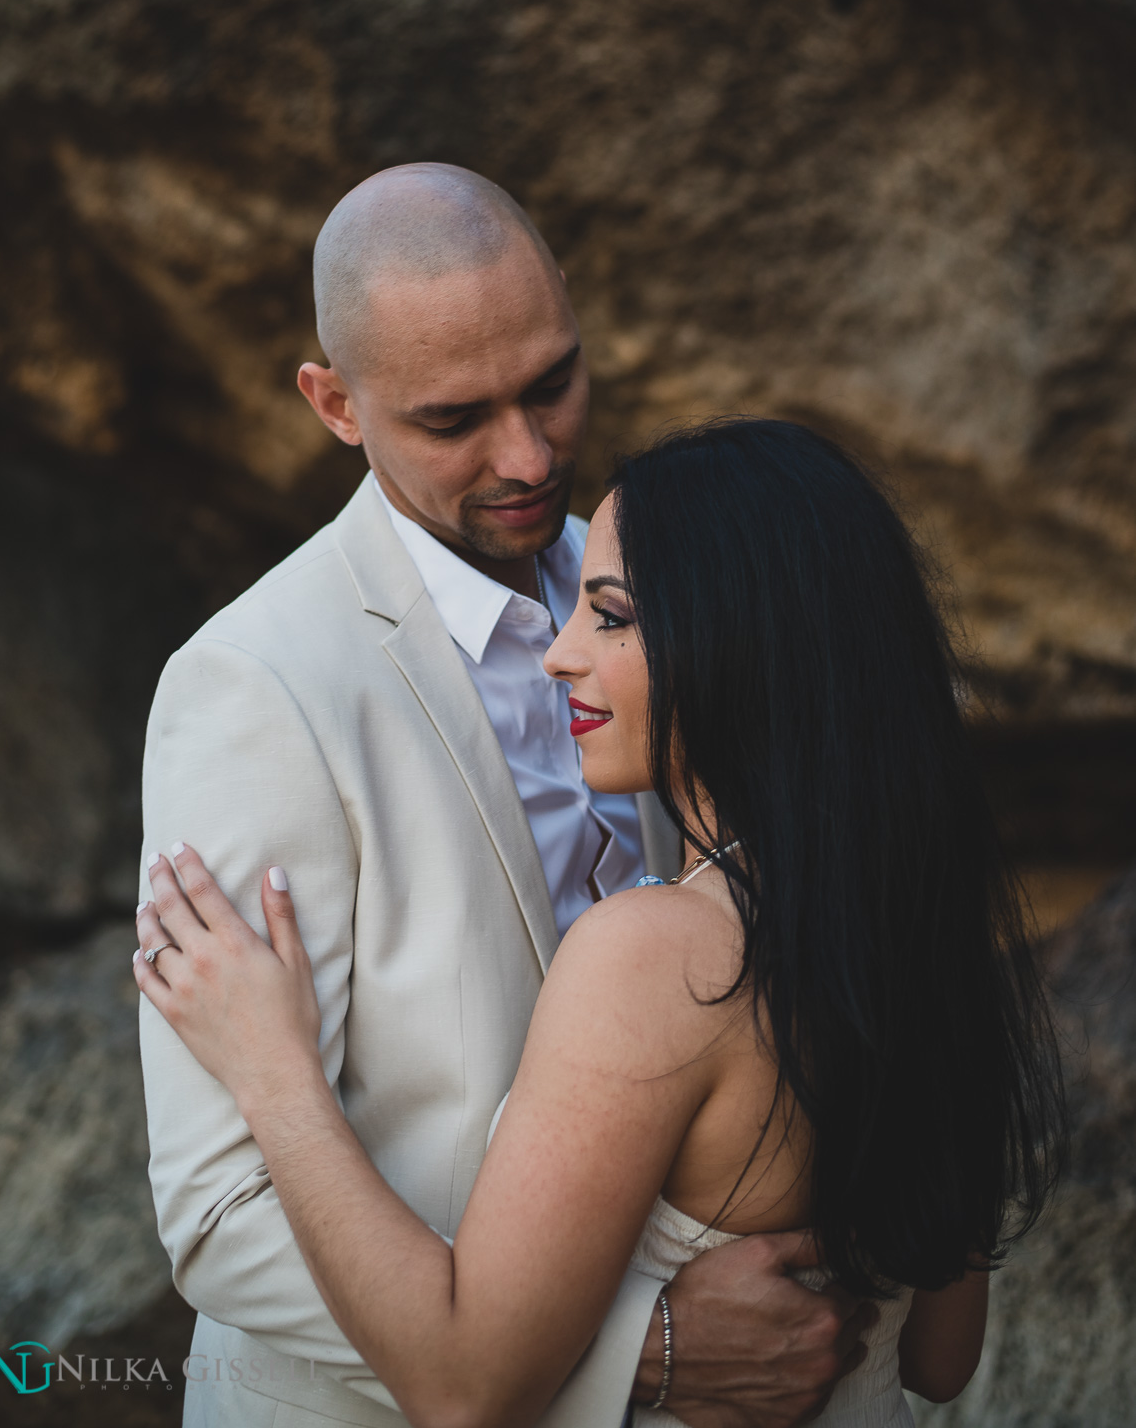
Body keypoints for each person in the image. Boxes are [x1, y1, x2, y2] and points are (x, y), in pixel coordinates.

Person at [136, 418, 1064, 1428]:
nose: (559, 655)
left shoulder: (655, 957)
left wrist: (273, 1073)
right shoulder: (921, 928)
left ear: (737, 640)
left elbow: (462, 1388)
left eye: (611, 617)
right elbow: (937, 1356)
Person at [137, 166, 871, 1428]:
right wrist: (637, 1352)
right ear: (335, 404)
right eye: (452, 418)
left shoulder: (667, 589)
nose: (527, 455)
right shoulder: (253, 687)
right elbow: (216, 1214)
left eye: (550, 383)